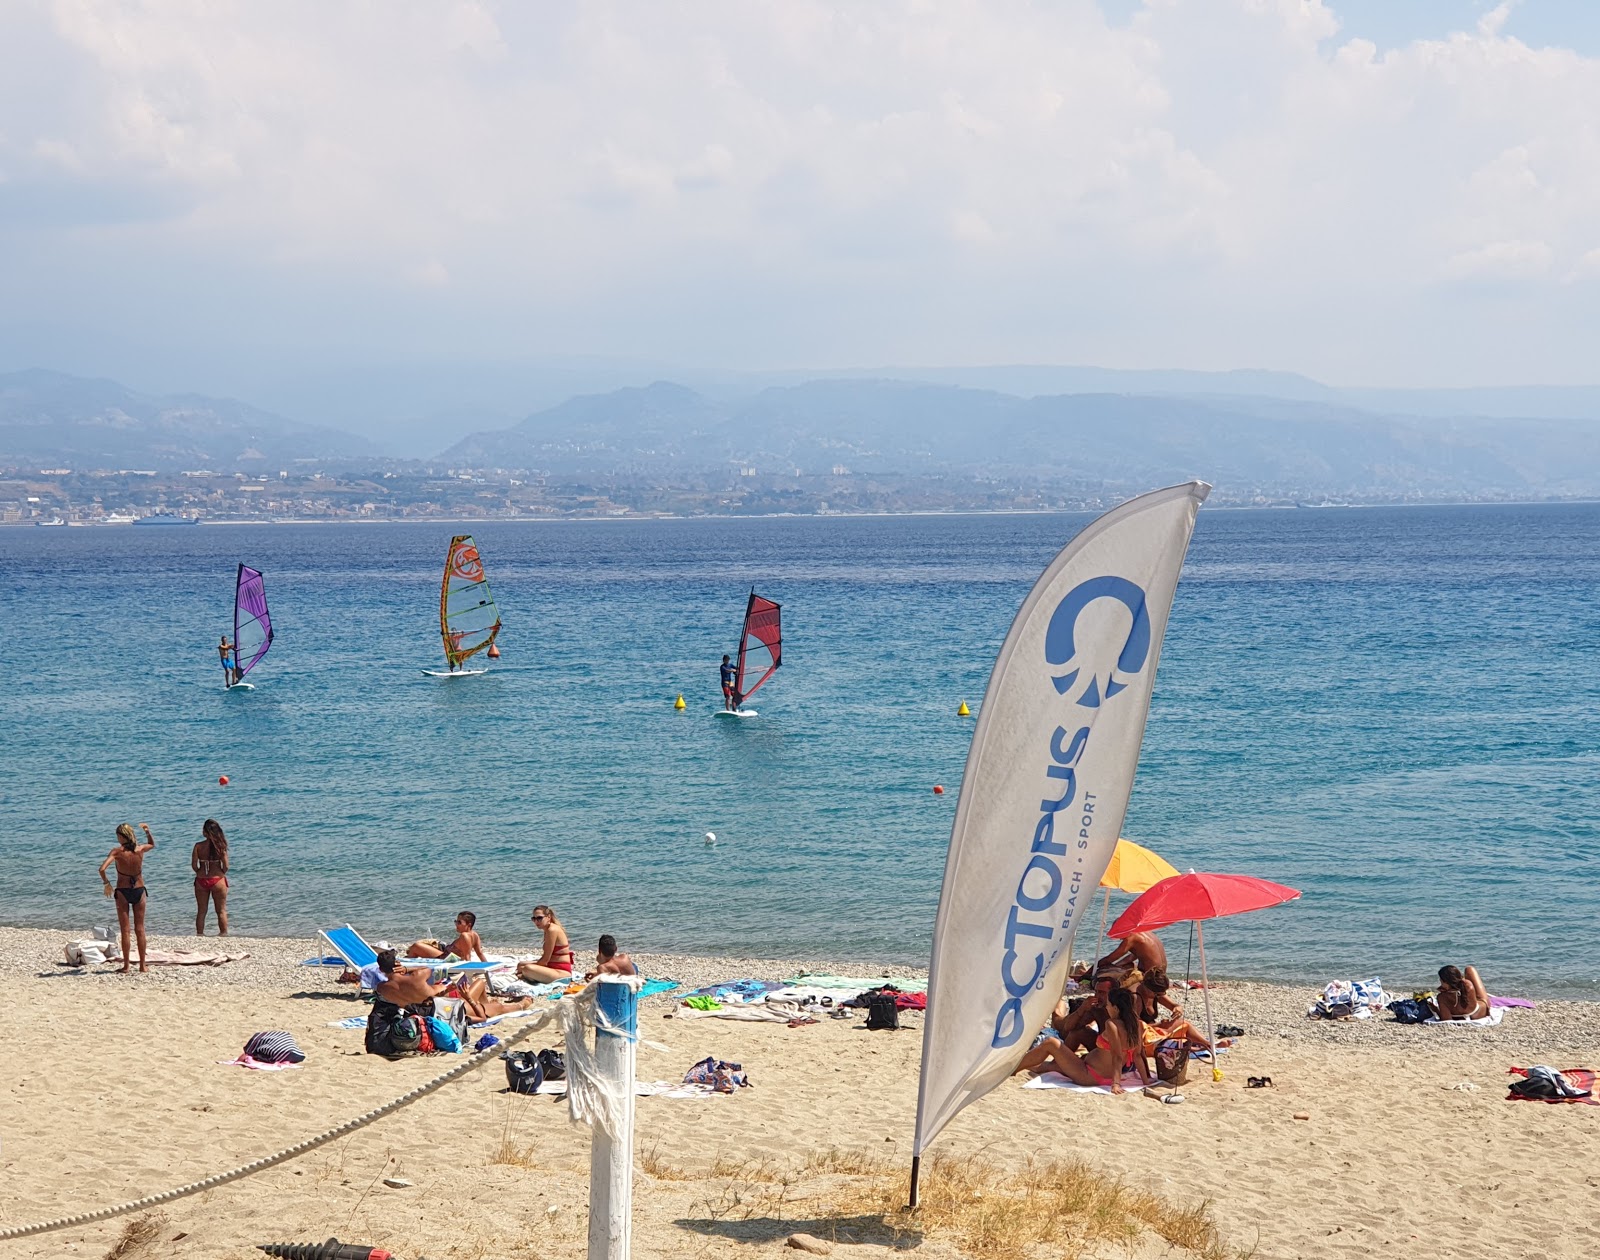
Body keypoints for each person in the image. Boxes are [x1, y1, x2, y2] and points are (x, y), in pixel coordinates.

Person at [1013, 987, 1153, 1095]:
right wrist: (1146, 1081)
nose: (1106, 1007)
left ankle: (1013, 1068)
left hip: (1090, 1075)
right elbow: (1137, 1055)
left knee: (1051, 1043)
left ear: (1116, 1008)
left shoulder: (1112, 1024)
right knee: (1049, 1067)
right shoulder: (1137, 1024)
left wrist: (1115, 1084)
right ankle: (1016, 1064)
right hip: (1096, 1072)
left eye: (1109, 1004)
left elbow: (1117, 1056)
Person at [99, 823, 156, 973]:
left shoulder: (117, 852)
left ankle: (126, 966)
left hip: (123, 891)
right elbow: (152, 844)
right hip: (139, 890)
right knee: (140, 929)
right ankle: (143, 966)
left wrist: (107, 884)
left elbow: (102, 869)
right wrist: (147, 831)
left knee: (125, 930)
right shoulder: (140, 850)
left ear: (121, 836)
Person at [1134, 967, 1213, 1058]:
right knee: (1166, 1040)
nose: (1160, 996)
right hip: (1143, 1038)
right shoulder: (1136, 998)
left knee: (1184, 1024)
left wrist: (1177, 1009)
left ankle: (1207, 1044)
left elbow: (1174, 1005)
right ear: (1149, 989)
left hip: (1153, 1032)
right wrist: (1158, 1025)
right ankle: (1205, 1046)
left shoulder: (1155, 994)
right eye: (1158, 994)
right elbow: (1134, 1027)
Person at [1050, 973, 1114, 1052]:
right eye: (1096, 992)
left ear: (1113, 993)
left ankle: (1057, 1012)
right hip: (1101, 1047)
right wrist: (1082, 1008)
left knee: (1059, 1023)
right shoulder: (1097, 1009)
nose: (1097, 996)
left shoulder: (1122, 1009)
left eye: (1101, 993)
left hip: (1117, 1052)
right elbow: (1068, 1028)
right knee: (1076, 1032)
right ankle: (1060, 1061)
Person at [191, 818, 230, 936]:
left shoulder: (198, 846)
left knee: (201, 911)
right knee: (221, 910)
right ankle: (223, 933)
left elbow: (194, 865)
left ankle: (200, 934)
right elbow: (226, 866)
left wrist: (199, 871)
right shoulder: (221, 847)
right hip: (217, 879)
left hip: (201, 880)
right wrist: (221, 872)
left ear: (205, 832)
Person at [516, 905, 575, 983]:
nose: (536, 921)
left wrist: (530, 966)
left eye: (539, 918)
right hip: (552, 967)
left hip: (562, 972)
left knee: (527, 968)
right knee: (521, 965)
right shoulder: (548, 929)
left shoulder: (552, 930)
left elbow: (545, 960)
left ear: (548, 917)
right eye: (534, 918)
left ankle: (528, 976)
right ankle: (530, 975)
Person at [407, 911, 488, 962]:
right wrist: (488, 969)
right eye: (456, 921)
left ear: (469, 924)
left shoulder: (464, 936)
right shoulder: (475, 935)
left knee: (416, 946)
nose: (456, 924)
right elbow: (480, 954)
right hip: (444, 954)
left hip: (443, 959)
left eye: (459, 922)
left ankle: (406, 970)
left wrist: (467, 975)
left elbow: (467, 957)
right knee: (424, 945)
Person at [1094, 930, 1167, 982]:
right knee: (1128, 965)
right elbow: (1132, 957)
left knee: (1100, 976)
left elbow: (1108, 959)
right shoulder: (1144, 932)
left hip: (1149, 977)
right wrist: (1116, 965)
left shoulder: (1131, 938)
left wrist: (1090, 971)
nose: (1120, 938)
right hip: (1161, 974)